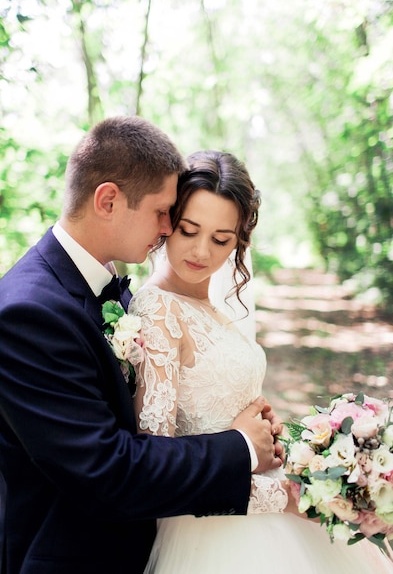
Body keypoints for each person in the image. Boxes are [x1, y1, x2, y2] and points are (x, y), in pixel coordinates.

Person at [0, 117, 287, 574]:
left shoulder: (102, 291)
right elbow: (109, 472)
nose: (166, 229)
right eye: (165, 213)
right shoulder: (27, 314)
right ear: (108, 200)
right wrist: (239, 446)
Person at [128, 150, 393, 574]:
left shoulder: (208, 305)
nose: (201, 252)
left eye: (221, 239)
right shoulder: (158, 310)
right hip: (213, 531)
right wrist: (285, 497)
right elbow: (159, 464)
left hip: (261, 497)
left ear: (239, 240)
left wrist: (288, 443)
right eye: (188, 230)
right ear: (167, 222)